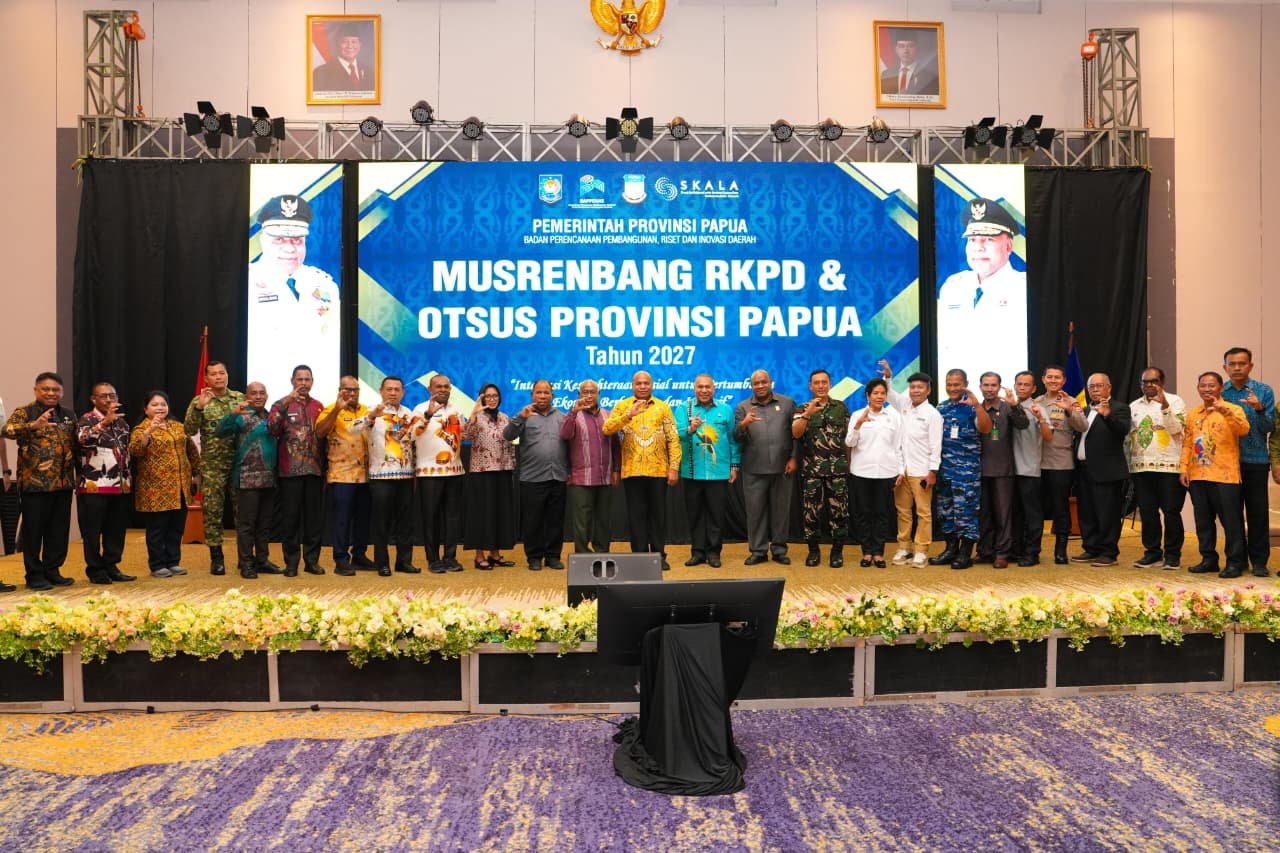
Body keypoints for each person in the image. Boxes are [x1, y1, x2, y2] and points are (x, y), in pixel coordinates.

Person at [247, 195, 340, 397]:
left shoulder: (324, 284)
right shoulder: (246, 281)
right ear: (263, 240)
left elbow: (333, 345)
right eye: (279, 240)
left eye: (297, 240)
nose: (289, 248)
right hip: (267, 395)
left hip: (319, 395)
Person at [937, 199, 1027, 387]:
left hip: (1005, 397)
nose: (978, 247)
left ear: (1008, 246)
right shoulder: (953, 287)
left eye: (988, 239)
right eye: (972, 240)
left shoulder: (1024, 288)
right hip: (958, 396)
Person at [3, 372, 78, 591]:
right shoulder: (25, 412)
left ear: (61, 392)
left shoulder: (68, 414)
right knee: (33, 533)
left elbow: (75, 444)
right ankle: (34, 575)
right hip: (34, 485)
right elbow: (6, 430)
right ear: (36, 390)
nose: (51, 393)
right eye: (46, 389)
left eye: (55, 390)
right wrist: (33, 426)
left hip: (63, 483)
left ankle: (52, 571)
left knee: (58, 531)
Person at [603, 371, 681, 570]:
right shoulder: (622, 406)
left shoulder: (663, 407)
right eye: (639, 383)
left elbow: (673, 439)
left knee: (658, 517)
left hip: (658, 471)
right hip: (632, 472)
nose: (643, 386)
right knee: (636, 517)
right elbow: (607, 429)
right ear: (633, 385)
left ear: (652, 385)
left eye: (646, 383)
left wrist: (673, 467)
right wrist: (629, 415)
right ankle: (639, 558)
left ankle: (658, 557)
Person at [1181, 372, 1251, 578]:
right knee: (1203, 522)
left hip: (1224, 476)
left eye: (1211, 385)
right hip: (1197, 475)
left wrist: (1224, 410)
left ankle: (1235, 562)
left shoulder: (1233, 409)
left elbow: (1243, 429)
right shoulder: (1194, 413)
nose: (1207, 389)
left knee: (1231, 522)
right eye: (1203, 385)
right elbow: (1187, 443)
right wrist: (1183, 468)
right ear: (1198, 388)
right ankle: (1209, 559)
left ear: (1221, 387)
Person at [184, 361, 245, 575]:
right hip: (212, 465)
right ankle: (216, 558)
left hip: (238, 463)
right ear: (206, 378)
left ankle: (245, 557)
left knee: (242, 512)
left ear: (227, 375)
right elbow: (189, 430)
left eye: (222, 373)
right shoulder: (199, 401)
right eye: (213, 374)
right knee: (213, 512)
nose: (219, 377)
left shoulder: (239, 398)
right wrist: (199, 408)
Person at [130, 391, 200, 579]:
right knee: (157, 530)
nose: (160, 408)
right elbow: (135, 450)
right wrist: (149, 431)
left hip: (180, 487)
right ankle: (157, 565)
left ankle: (173, 562)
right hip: (155, 489)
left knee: (176, 528)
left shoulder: (178, 427)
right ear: (146, 409)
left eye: (163, 404)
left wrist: (197, 473)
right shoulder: (141, 429)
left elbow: (192, 452)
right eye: (154, 405)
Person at [879, 362, 942, 568]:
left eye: (920, 387)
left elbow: (936, 446)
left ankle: (921, 550)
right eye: (913, 387)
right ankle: (904, 548)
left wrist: (932, 471)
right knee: (903, 511)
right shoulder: (905, 405)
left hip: (922, 471)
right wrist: (888, 378)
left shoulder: (933, 414)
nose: (915, 390)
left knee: (923, 512)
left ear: (928, 390)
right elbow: (891, 396)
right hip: (902, 470)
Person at [1220, 347, 1275, 577]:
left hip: (1256, 461)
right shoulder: (1220, 392)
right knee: (1231, 514)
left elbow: (1269, 428)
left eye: (1241, 363)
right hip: (1226, 463)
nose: (1237, 368)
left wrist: (1259, 409)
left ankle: (1259, 561)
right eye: (1232, 364)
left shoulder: (1263, 391)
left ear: (1250, 366)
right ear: (1225, 367)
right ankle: (1236, 561)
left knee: (1258, 513)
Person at [929, 369, 992, 570]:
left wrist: (977, 406)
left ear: (965, 384)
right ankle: (950, 549)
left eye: (957, 384)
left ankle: (965, 553)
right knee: (946, 512)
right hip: (945, 470)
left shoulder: (974, 406)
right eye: (949, 384)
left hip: (966, 472)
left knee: (966, 512)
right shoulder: (941, 407)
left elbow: (986, 428)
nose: (952, 388)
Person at [504, 380, 570, 571]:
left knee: (555, 521)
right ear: (532, 395)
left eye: (546, 392)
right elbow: (508, 435)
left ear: (552, 395)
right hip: (532, 478)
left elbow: (570, 444)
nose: (542, 396)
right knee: (533, 522)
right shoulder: (525, 416)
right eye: (538, 392)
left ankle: (553, 557)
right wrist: (520, 417)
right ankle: (534, 557)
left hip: (557, 476)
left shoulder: (562, 417)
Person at [676, 374, 740, 568]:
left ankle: (713, 553)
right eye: (700, 387)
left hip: (718, 471)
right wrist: (690, 429)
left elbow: (733, 440)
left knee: (716, 515)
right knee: (694, 514)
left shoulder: (725, 409)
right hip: (691, 471)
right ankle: (697, 552)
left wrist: (734, 465)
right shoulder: (683, 409)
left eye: (708, 387)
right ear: (694, 389)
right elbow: (676, 436)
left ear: (714, 388)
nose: (704, 390)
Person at [734, 370, 798, 566]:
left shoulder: (787, 403)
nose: (760, 386)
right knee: (755, 513)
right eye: (756, 383)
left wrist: (794, 457)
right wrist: (744, 424)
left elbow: (797, 433)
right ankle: (758, 551)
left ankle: (779, 550)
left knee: (781, 512)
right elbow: (736, 437)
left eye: (764, 382)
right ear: (751, 386)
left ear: (771, 383)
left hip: (783, 467)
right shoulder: (743, 407)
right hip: (753, 468)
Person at [267, 365, 326, 576]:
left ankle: (312, 561)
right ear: (292, 381)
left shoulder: (319, 406)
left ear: (312, 382)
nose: (303, 383)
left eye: (307, 379)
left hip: (314, 471)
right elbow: (271, 429)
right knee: (290, 520)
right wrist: (286, 401)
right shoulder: (281, 404)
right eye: (299, 379)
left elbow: (325, 437)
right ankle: (291, 563)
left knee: (313, 520)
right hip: (289, 472)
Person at [75, 382, 136, 584]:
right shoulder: (86, 419)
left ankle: (111, 566)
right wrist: (104, 423)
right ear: (93, 399)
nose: (109, 399)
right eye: (104, 396)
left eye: (112, 395)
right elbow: (83, 441)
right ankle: (95, 570)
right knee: (92, 532)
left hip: (120, 486)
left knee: (116, 530)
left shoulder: (122, 423)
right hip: (94, 485)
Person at [216, 382, 278, 579]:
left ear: (267, 396)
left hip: (269, 478)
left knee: (264, 524)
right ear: (246, 396)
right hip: (246, 479)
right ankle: (246, 563)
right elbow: (220, 431)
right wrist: (233, 413)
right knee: (246, 525)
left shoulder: (271, 417)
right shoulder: (241, 416)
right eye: (254, 393)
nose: (258, 396)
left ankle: (262, 561)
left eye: (262, 393)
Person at [1127, 367, 1187, 569]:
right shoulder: (1134, 406)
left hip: (1170, 467)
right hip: (1142, 467)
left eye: (1153, 381)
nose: (1149, 385)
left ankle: (1172, 555)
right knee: (1148, 512)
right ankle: (1152, 553)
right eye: (1145, 382)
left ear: (1162, 382)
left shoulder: (1175, 401)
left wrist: (1165, 406)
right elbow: (1129, 437)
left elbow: (1176, 429)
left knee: (1171, 512)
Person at [316, 375, 376, 576]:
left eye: (355, 390)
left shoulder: (367, 410)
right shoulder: (330, 409)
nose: (351, 393)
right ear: (340, 391)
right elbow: (320, 433)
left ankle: (359, 555)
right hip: (342, 474)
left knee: (363, 519)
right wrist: (337, 410)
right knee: (342, 519)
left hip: (365, 474)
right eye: (347, 389)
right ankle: (340, 559)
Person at [1070, 373, 1131, 567]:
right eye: (1092, 387)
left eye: (1099, 386)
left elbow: (1122, 431)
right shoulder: (1085, 410)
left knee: (1107, 514)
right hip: (1083, 470)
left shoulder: (1119, 408)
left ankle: (1108, 552)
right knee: (1087, 512)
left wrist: (1107, 416)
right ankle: (1091, 548)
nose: (1095, 390)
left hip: (1107, 471)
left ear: (1109, 388)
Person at [791, 369, 850, 567]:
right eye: (816, 383)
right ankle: (813, 551)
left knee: (839, 513)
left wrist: (849, 464)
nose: (821, 386)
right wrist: (807, 415)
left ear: (830, 384)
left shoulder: (840, 407)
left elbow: (849, 438)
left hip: (837, 470)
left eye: (824, 382)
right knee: (811, 514)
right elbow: (796, 433)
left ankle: (837, 552)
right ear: (810, 386)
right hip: (812, 471)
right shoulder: (802, 408)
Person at [845, 378, 904, 568]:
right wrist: (858, 425)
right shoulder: (857, 415)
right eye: (875, 393)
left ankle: (878, 552)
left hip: (886, 472)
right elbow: (849, 443)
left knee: (882, 514)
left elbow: (898, 446)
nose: (879, 396)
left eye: (882, 393)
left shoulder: (894, 417)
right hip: (861, 472)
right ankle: (867, 552)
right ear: (868, 396)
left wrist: (901, 470)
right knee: (863, 513)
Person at [975, 373, 1029, 568]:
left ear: (999, 387)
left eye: (993, 385)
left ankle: (1002, 553)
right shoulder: (976, 408)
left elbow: (1023, 424)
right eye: (986, 385)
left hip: (1002, 469)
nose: (989, 389)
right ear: (980, 387)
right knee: (984, 514)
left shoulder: (1007, 407)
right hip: (978, 470)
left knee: (1003, 514)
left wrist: (1015, 405)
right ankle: (985, 551)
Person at [560, 379, 620, 556]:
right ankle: (582, 555)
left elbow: (616, 445)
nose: (588, 395)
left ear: (598, 394)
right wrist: (573, 412)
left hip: (605, 477)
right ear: (579, 395)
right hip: (581, 478)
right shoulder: (573, 415)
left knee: (603, 520)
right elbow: (564, 435)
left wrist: (616, 469)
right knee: (582, 521)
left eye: (592, 392)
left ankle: (602, 554)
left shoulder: (609, 415)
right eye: (584, 392)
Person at [413, 374, 465, 574]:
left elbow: (461, 436)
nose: (443, 389)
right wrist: (427, 416)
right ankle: (433, 559)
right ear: (430, 389)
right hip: (429, 473)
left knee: (453, 518)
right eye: (438, 386)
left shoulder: (456, 410)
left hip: (455, 471)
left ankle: (450, 557)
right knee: (431, 518)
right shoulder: (420, 409)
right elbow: (412, 434)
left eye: (446, 386)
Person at [1035, 365, 1087, 564]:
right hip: (1037, 463)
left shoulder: (1070, 401)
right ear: (1043, 379)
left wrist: (1069, 410)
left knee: (1060, 509)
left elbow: (1083, 426)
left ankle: (1060, 551)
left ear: (1064, 381)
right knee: (1036, 510)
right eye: (1050, 377)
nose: (1053, 381)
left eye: (1057, 377)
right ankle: (1033, 549)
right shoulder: (1036, 402)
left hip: (1061, 463)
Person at [462, 384, 517, 570]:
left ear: (499, 398)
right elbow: (465, 435)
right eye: (488, 396)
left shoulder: (505, 418)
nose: (492, 399)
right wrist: (473, 414)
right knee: (481, 513)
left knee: (499, 513)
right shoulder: (476, 417)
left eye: (495, 396)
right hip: (482, 472)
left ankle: (495, 554)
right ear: (482, 398)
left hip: (503, 471)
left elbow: (510, 444)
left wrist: (512, 466)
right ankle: (479, 556)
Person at [365, 376, 416, 577]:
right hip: (381, 476)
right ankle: (382, 563)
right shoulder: (372, 410)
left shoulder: (408, 413)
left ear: (403, 392)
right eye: (389, 389)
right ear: (381, 391)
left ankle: (404, 561)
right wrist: (371, 417)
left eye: (397, 389)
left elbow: (414, 439)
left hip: (405, 475)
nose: (393, 393)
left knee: (405, 522)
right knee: (381, 523)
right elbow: (355, 428)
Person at [1010, 371, 1053, 566]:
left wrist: (1041, 419)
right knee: (1015, 514)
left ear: (1034, 388)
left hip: (1029, 469)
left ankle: (1032, 552)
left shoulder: (1038, 408)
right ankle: (1016, 550)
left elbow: (1048, 437)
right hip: (1009, 470)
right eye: (1019, 384)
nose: (1022, 387)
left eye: (1026, 384)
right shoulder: (1008, 406)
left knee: (1032, 515)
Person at [312, 24, 372, 93]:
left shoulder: (369, 72)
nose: (350, 46)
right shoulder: (321, 73)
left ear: (360, 45)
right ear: (337, 44)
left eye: (354, 42)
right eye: (345, 42)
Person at [880, 28, 940, 96]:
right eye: (901, 46)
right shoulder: (886, 74)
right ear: (896, 49)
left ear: (917, 48)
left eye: (910, 46)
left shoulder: (930, 77)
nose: (905, 51)